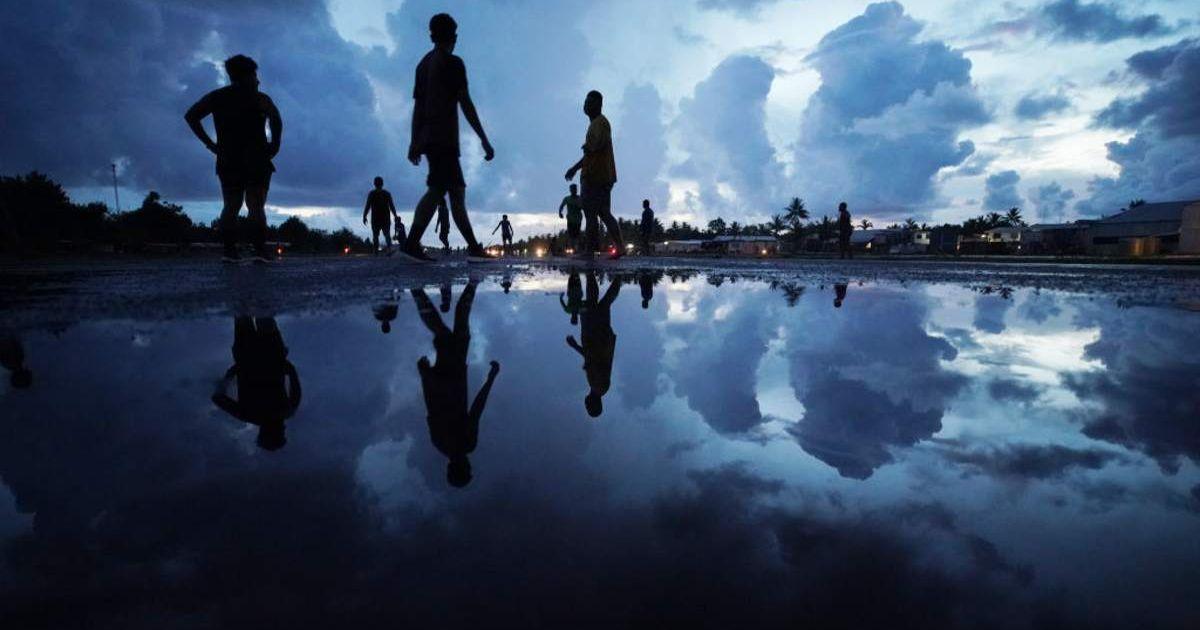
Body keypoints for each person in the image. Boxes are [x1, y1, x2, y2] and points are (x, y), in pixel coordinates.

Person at [403, 13, 496, 263]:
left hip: (430, 138)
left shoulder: (423, 65)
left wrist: (415, 140)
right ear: (454, 36)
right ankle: (412, 243)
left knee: (456, 191)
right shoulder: (453, 63)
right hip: (443, 139)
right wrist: (484, 139)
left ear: (432, 35)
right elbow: (465, 102)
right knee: (438, 189)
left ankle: (473, 247)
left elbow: (418, 108)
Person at [185, 54, 282, 263]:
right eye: (254, 75)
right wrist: (274, 146)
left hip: (228, 159)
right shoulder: (260, 99)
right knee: (255, 205)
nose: (258, 80)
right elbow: (276, 120)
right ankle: (258, 250)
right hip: (256, 159)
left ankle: (229, 252)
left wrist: (211, 145)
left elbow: (191, 116)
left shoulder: (218, 97)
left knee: (231, 204)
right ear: (246, 76)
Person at [412, 279, 500, 488]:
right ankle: (418, 291)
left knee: (456, 329)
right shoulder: (439, 444)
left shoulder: (467, 445)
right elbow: (430, 407)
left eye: (468, 469)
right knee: (445, 333)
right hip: (440, 379)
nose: (470, 466)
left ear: (465, 467)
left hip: (454, 375)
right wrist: (425, 375)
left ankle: (471, 283)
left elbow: (477, 409)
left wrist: (491, 378)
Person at [212, 317, 301, 451]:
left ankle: (253, 298)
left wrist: (286, 366)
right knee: (244, 316)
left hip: (271, 355)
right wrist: (231, 374)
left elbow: (294, 381)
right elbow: (217, 398)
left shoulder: (286, 411)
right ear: (262, 433)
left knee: (263, 314)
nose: (284, 428)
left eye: (282, 432)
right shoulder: (248, 415)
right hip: (247, 356)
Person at [564, 90, 624, 259]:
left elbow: (594, 148)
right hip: (601, 175)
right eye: (585, 102)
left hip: (596, 176)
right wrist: (575, 168)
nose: (586, 105)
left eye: (590, 102)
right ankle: (620, 247)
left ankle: (589, 251)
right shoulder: (596, 123)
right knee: (604, 212)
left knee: (591, 213)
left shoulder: (600, 123)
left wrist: (576, 166)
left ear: (599, 105)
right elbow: (591, 151)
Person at [566, 270, 620, 418]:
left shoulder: (601, 388)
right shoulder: (597, 385)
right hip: (595, 335)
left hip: (599, 336)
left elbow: (592, 359)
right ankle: (598, 273)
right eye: (588, 407)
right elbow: (592, 358)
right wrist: (575, 345)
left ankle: (618, 277)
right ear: (593, 404)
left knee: (602, 303)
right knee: (596, 302)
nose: (585, 404)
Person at [362, 176, 399, 255]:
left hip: (375, 218)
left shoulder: (372, 194)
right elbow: (392, 206)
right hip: (385, 217)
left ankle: (376, 251)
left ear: (374, 184)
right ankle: (389, 249)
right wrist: (395, 215)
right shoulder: (387, 193)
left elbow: (367, 206)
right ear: (382, 183)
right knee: (387, 234)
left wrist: (364, 216)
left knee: (375, 235)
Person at [558, 184, 584, 253]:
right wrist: (560, 213)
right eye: (572, 189)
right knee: (571, 234)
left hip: (578, 219)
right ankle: (573, 248)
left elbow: (584, 207)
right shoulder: (567, 198)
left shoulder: (580, 198)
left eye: (575, 189)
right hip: (570, 219)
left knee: (577, 234)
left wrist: (580, 206)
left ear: (576, 190)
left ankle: (577, 248)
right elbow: (561, 206)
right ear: (570, 190)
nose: (574, 190)